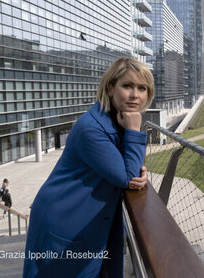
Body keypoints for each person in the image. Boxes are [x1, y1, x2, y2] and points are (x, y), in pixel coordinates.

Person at [23, 57, 154, 278]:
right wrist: (134, 130)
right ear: (111, 88)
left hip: (90, 218)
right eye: (127, 86)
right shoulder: (91, 129)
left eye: (142, 88)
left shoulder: (116, 121)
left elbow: (128, 170)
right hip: (66, 219)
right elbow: (128, 176)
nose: (135, 95)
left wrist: (138, 171)